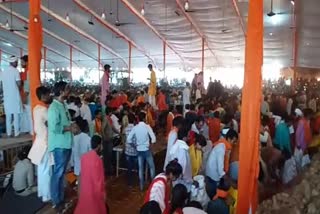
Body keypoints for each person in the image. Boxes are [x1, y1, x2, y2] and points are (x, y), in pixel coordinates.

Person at [48, 81, 73, 209]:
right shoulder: (54, 107)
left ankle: (60, 198)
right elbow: (53, 127)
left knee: (61, 173)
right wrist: (69, 128)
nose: (69, 92)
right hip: (59, 145)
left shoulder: (63, 105)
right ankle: (56, 200)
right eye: (67, 89)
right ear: (61, 91)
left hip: (66, 143)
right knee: (57, 173)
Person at [28, 86, 53, 202]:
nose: (50, 96)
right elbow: (52, 124)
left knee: (42, 170)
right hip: (44, 143)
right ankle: (46, 195)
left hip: (39, 141)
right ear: (43, 96)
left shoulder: (36, 108)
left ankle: (43, 193)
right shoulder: (44, 110)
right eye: (48, 94)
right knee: (46, 171)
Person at [74, 135, 107, 214]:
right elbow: (99, 180)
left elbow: (81, 175)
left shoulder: (84, 157)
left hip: (84, 191)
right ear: (99, 145)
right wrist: (103, 194)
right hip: (94, 193)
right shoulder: (98, 160)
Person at [127, 111, 157, 191]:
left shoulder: (135, 127)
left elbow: (128, 139)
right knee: (152, 167)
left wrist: (134, 145)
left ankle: (141, 186)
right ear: (144, 118)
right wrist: (151, 145)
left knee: (140, 168)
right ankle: (153, 185)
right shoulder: (147, 127)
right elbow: (153, 138)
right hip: (147, 149)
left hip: (139, 150)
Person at [205, 129, 238, 198]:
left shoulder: (224, 146)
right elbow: (221, 172)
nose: (234, 144)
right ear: (228, 139)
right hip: (212, 178)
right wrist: (232, 183)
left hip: (213, 176)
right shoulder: (221, 148)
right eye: (234, 141)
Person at [0, 56, 22, 137]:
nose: (17, 63)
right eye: (16, 62)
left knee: (8, 115)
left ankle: (9, 133)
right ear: (13, 62)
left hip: (7, 96)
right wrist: (19, 87)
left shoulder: (3, 71)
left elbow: (1, 84)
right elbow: (19, 84)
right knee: (16, 115)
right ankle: (16, 133)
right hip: (14, 96)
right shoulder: (15, 71)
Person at [124, 113, 138, 186]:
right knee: (135, 168)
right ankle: (136, 182)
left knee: (129, 168)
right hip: (135, 151)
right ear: (134, 120)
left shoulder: (125, 129)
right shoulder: (136, 129)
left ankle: (130, 183)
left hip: (128, 151)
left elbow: (124, 140)